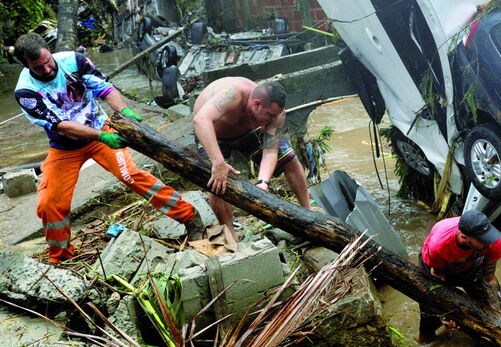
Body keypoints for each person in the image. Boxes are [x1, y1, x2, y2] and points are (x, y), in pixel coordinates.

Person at [12, 33, 206, 264]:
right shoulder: (26, 91)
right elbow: (61, 125)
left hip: (99, 126)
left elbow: (104, 89)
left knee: (131, 175)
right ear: (25, 66)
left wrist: (124, 113)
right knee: (49, 204)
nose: (46, 70)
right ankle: (61, 258)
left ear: (50, 51)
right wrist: (103, 137)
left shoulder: (74, 61)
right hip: (66, 146)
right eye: (38, 68)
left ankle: (189, 217)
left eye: (48, 62)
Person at [191, 76, 316, 242]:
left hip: (250, 131)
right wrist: (218, 162)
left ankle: (308, 215)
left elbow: (270, 151)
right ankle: (230, 234)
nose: (273, 119)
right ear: (256, 104)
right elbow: (201, 120)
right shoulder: (232, 94)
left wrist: (263, 182)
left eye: (275, 116)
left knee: (289, 159)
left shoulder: (276, 114)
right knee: (216, 180)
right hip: (213, 133)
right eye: (269, 115)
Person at [418, 210, 501, 344]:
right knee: (430, 318)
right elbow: (438, 277)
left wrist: (495, 315)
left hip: (472, 267)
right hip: (437, 270)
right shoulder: (439, 245)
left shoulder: (493, 240)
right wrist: (446, 313)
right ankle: (426, 344)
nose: (489, 244)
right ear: (464, 236)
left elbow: (489, 277)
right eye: (484, 240)